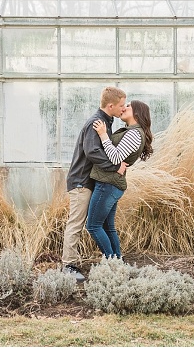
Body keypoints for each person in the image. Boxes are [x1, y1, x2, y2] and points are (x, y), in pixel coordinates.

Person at [61, 86, 127, 283]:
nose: (123, 109)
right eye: (121, 105)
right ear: (111, 105)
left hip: (88, 181)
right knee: (76, 223)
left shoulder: (106, 122)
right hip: (81, 181)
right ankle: (68, 266)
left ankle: (111, 261)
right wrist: (114, 166)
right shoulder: (96, 123)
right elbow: (92, 152)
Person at [86, 100, 154, 260]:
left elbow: (115, 157)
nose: (124, 108)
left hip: (108, 184)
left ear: (137, 112)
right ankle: (118, 262)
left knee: (93, 226)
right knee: (108, 227)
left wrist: (103, 134)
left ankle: (112, 263)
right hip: (111, 183)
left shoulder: (134, 133)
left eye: (128, 106)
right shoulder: (132, 131)